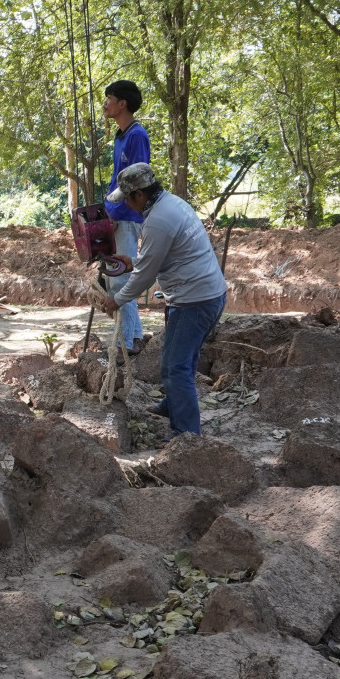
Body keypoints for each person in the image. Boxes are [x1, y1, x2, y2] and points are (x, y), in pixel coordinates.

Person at [94, 161, 226, 436]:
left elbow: (145, 277)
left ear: (138, 195)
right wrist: (132, 262)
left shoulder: (158, 221)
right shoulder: (172, 204)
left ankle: (186, 434)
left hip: (195, 300)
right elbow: (159, 257)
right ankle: (173, 404)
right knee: (178, 359)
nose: (127, 206)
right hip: (200, 295)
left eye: (127, 199)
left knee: (176, 366)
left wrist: (116, 300)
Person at [101, 79, 151, 355]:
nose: (105, 104)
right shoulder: (121, 136)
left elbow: (137, 179)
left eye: (109, 98)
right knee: (115, 277)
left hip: (128, 217)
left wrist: (117, 208)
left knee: (120, 279)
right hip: (117, 213)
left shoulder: (136, 135)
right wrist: (107, 207)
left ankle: (126, 343)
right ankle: (134, 337)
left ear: (123, 103)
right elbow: (117, 181)